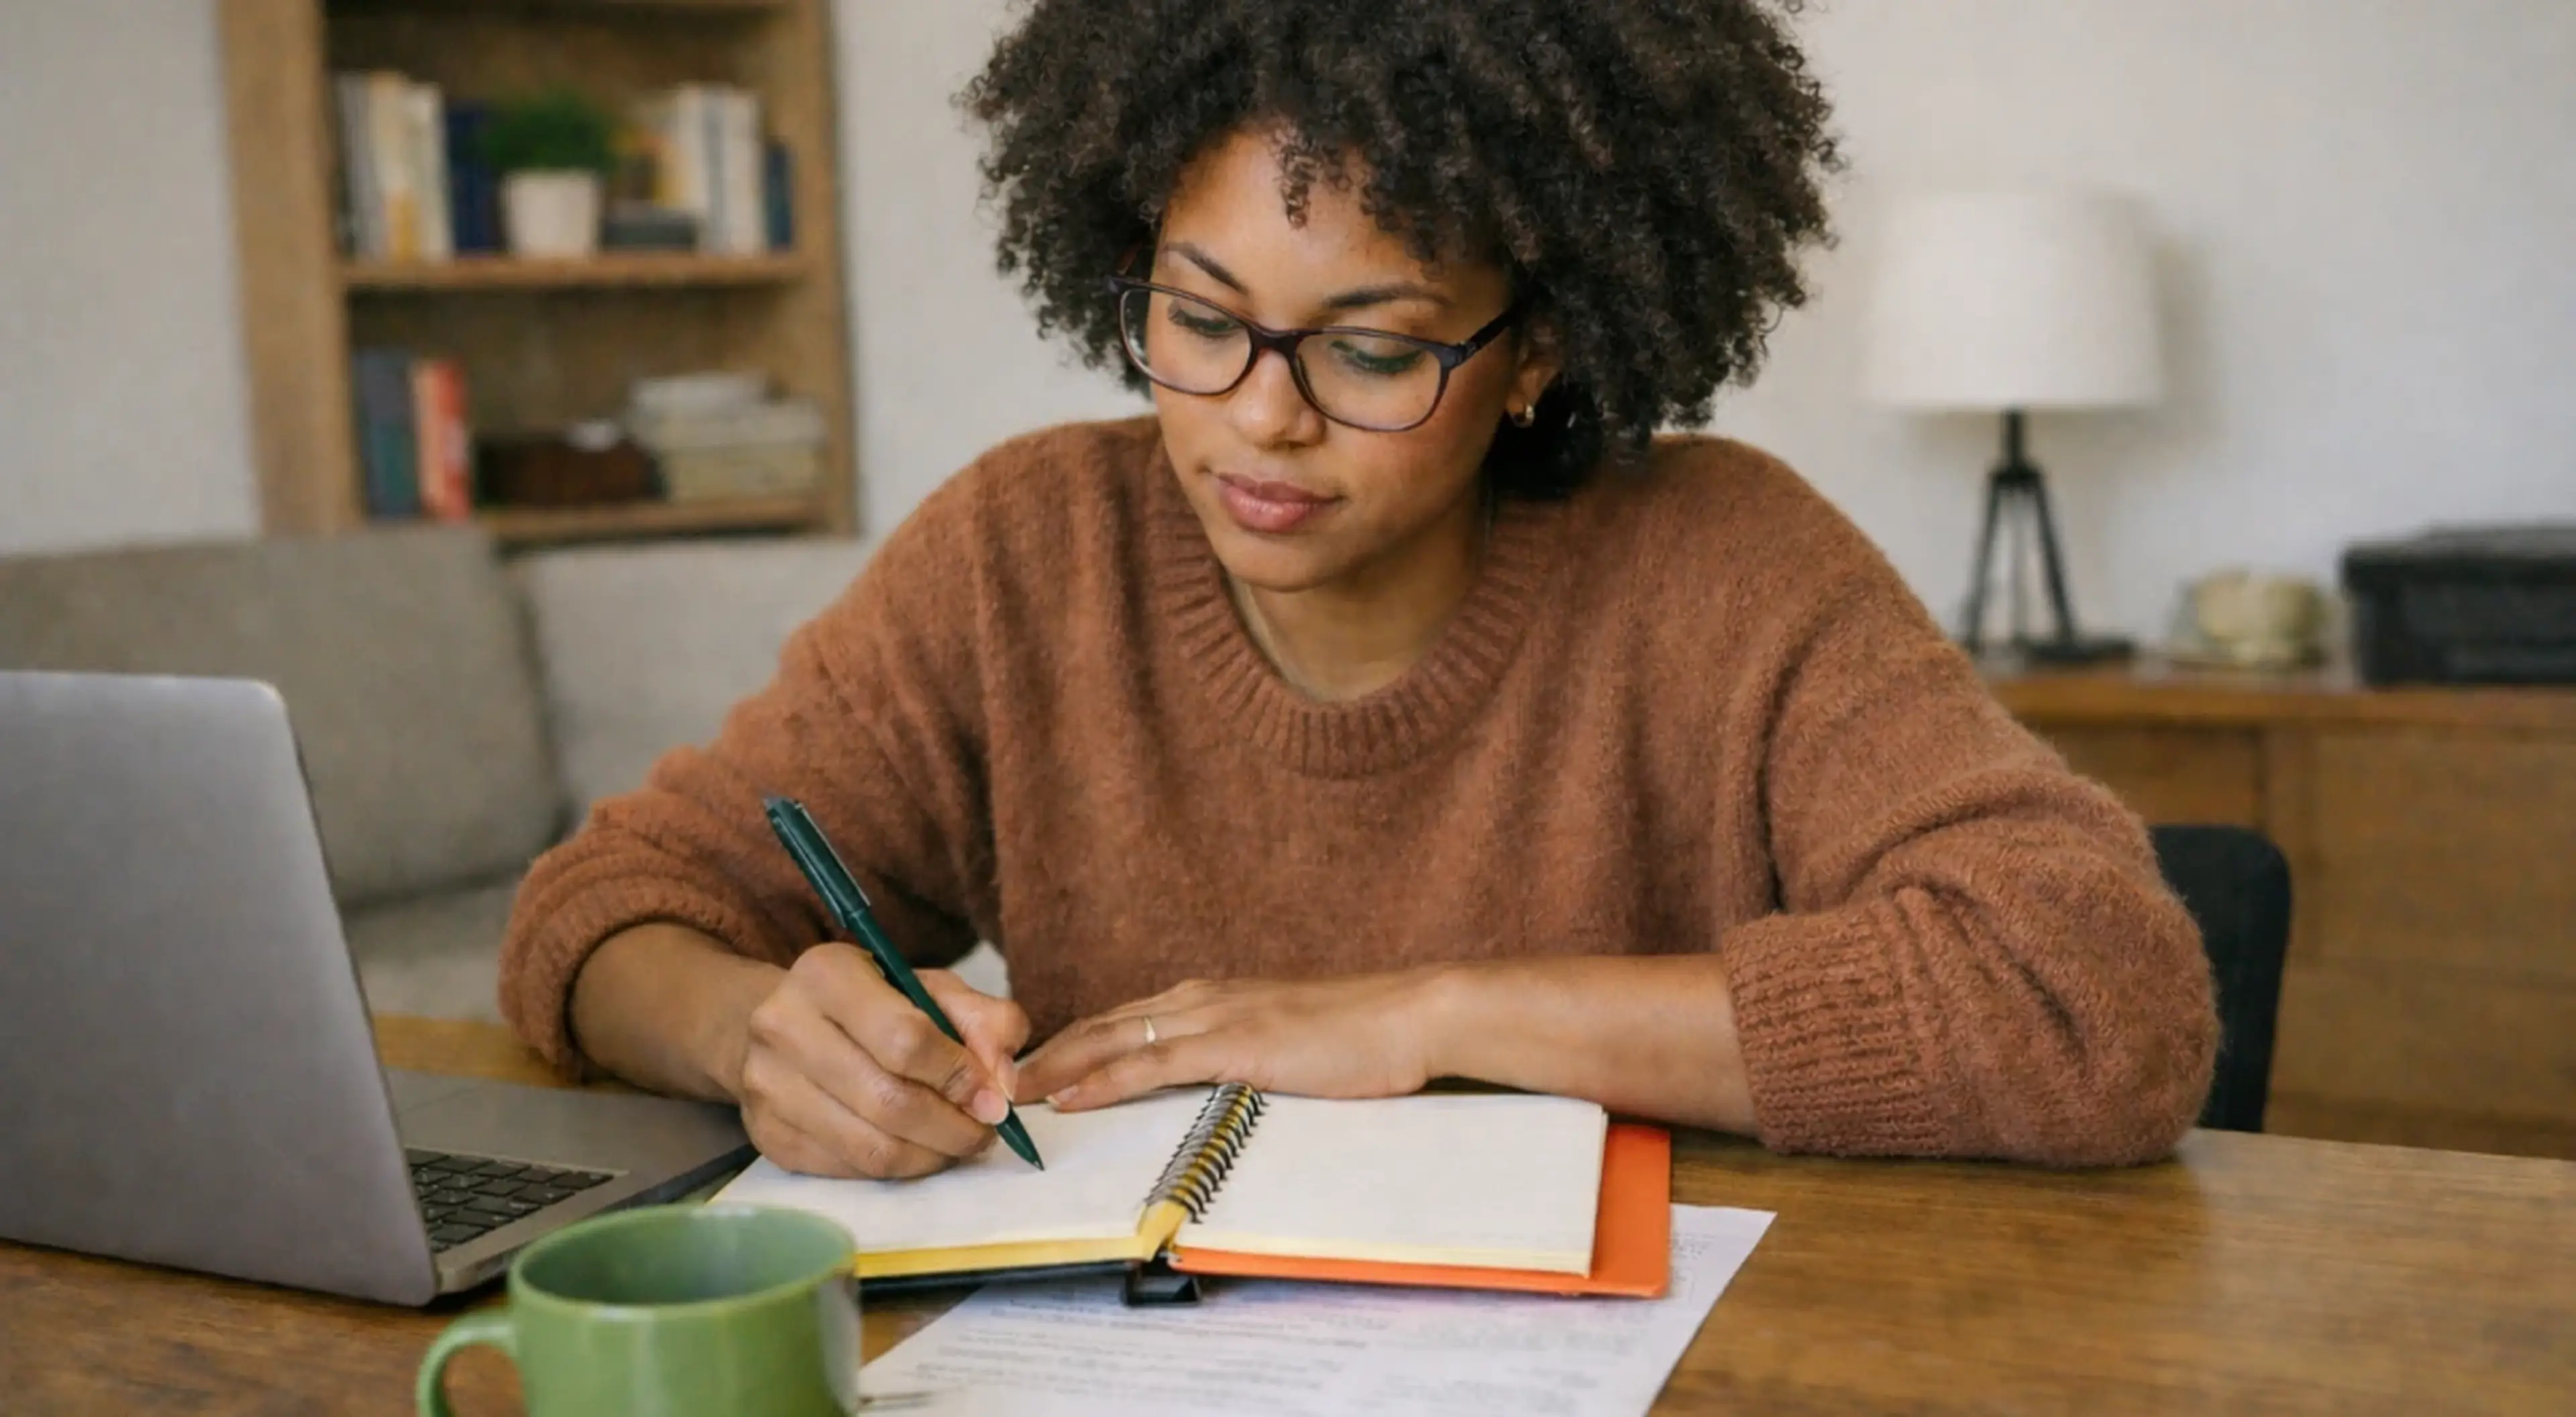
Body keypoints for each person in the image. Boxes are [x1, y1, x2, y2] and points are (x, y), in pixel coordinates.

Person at [498, 0, 2217, 1179]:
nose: (1262, 413)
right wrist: (756, 1040)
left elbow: (2098, 1002)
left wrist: (1426, 1018)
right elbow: (604, 911)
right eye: (1196, 316)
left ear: (1536, 349)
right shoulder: (1027, 555)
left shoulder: (1724, 568)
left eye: (1375, 348)